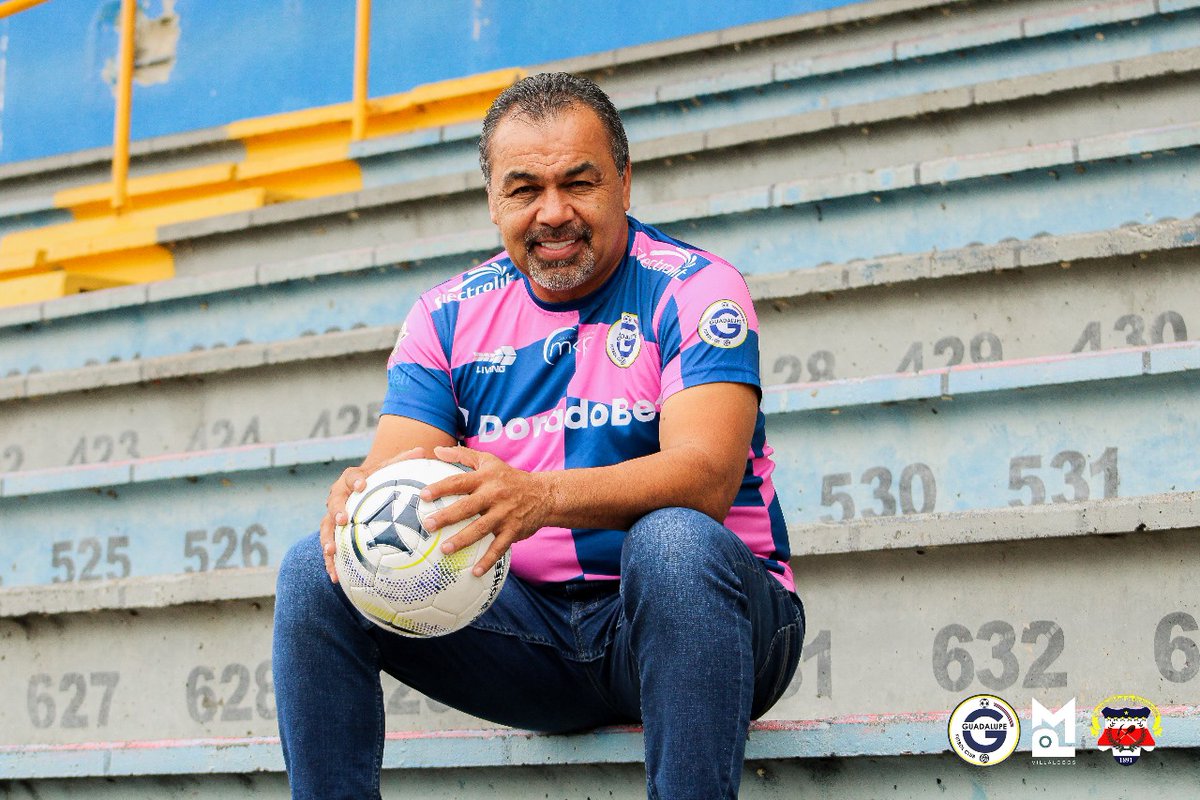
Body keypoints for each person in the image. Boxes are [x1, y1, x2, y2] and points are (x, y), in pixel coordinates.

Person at [273, 71, 805, 800]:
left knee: (673, 542)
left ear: (624, 182)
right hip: (532, 645)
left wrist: (540, 497)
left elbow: (706, 479)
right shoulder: (446, 316)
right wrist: (359, 503)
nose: (553, 213)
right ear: (493, 201)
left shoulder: (694, 287)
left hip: (713, 626)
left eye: (578, 183)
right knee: (321, 569)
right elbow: (397, 473)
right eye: (524, 189)